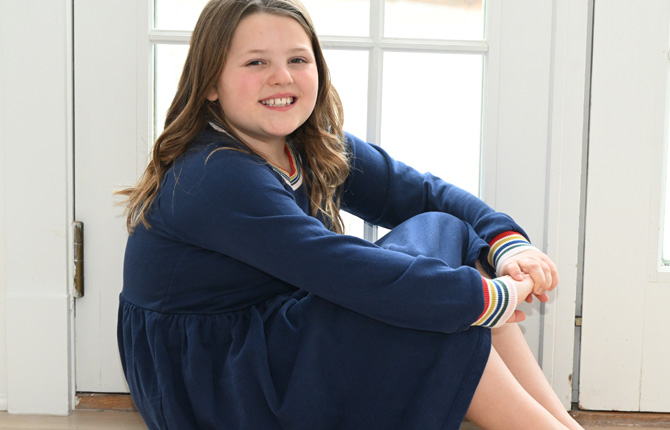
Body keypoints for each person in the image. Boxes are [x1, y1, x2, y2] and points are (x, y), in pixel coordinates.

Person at [117, 0, 585, 429]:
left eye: (298, 60)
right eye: (256, 62)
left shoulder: (307, 141)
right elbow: (343, 268)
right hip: (219, 382)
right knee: (434, 321)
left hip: (271, 337)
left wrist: (506, 245)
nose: (281, 77)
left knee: (442, 238)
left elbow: (423, 194)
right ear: (211, 84)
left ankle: (562, 424)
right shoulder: (216, 175)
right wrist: (480, 299)